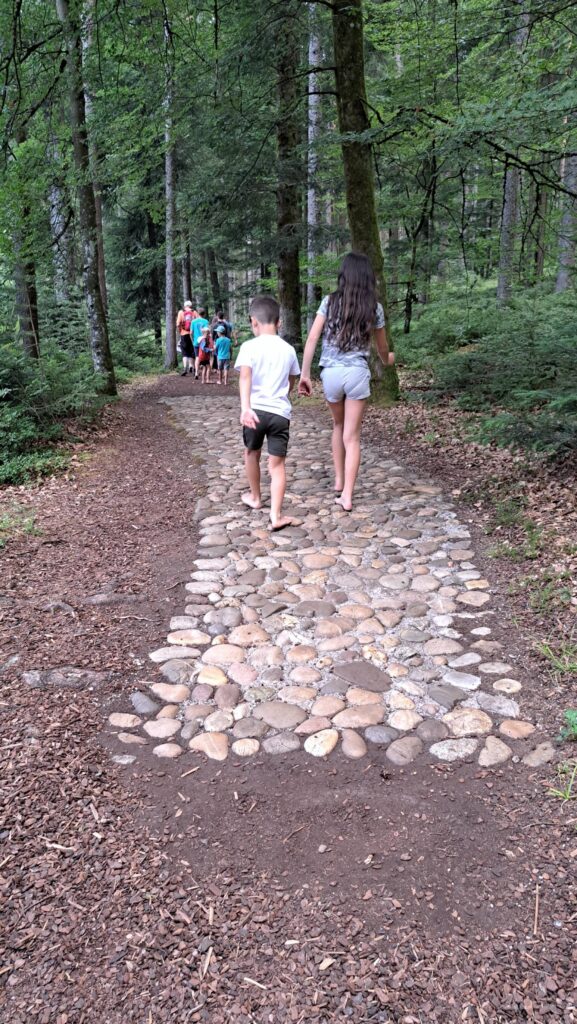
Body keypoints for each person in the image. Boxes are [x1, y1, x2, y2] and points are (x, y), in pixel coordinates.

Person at [298, 252, 395, 512]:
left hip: (330, 373)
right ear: (367, 277)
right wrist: (388, 360)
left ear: (344, 275)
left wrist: (305, 374)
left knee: (337, 426)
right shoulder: (374, 307)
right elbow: (382, 347)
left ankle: (339, 481)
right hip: (357, 374)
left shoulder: (329, 302)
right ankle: (348, 496)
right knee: (352, 437)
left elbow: (312, 338)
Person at [234, 294, 300, 531]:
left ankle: (255, 497)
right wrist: (283, 394)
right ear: (279, 322)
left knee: (252, 453)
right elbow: (291, 379)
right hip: (280, 413)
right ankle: (276, 515)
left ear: (254, 322)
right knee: (277, 465)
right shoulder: (289, 350)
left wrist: (245, 408)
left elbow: (245, 377)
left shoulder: (249, 347)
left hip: (256, 411)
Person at [176, 300, 195, 375]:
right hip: (192, 335)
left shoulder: (181, 312)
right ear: (191, 305)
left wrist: (180, 330)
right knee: (191, 351)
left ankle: (185, 368)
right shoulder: (194, 312)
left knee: (184, 351)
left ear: (184, 306)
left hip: (183, 334)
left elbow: (178, 324)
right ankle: (191, 366)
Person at [192, 306, 209, 378]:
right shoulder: (206, 321)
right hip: (204, 341)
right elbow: (207, 331)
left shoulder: (193, 321)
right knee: (204, 356)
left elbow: (191, 332)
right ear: (204, 314)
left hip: (196, 341)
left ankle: (196, 372)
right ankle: (204, 371)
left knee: (197, 357)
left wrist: (192, 340)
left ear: (198, 313)